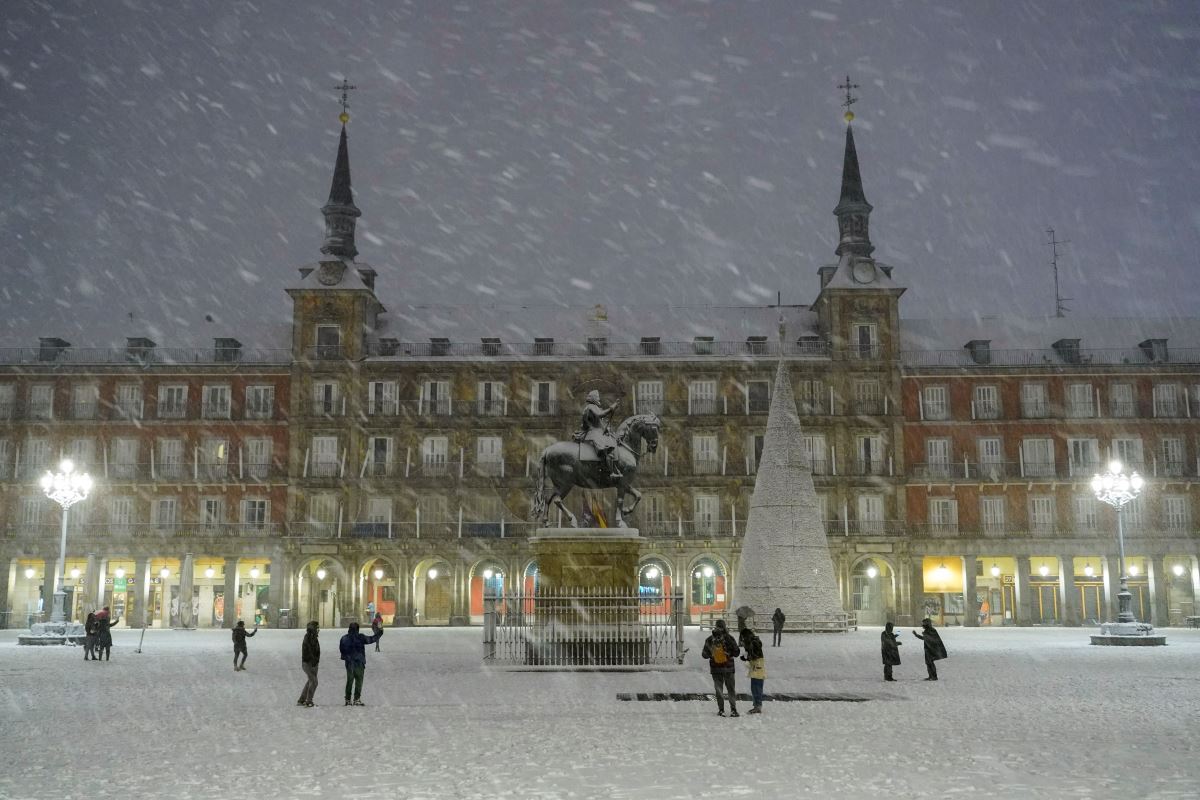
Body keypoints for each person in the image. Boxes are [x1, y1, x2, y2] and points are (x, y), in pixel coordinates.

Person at [575, 389, 622, 479]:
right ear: (593, 398)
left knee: (613, 442)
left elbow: (600, 422)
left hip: (597, 431)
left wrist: (606, 429)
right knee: (607, 449)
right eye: (597, 397)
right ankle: (610, 472)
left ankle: (612, 467)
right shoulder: (590, 407)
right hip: (593, 433)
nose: (599, 399)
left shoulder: (593, 407)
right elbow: (600, 414)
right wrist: (612, 407)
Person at [701, 619, 741, 717]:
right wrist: (728, 653)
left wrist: (712, 654)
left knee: (719, 690)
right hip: (729, 668)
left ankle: (721, 710)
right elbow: (737, 653)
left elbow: (704, 655)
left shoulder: (710, 639)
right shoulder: (729, 638)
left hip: (716, 669)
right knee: (731, 689)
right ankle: (733, 710)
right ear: (724, 627)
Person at [339, 621, 382, 706]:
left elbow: (341, 649)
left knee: (349, 681)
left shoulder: (344, 638)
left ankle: (348, 699)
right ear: (357, 629)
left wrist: (346, 656)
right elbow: (372, 639)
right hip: (359, 662)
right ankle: (356, 699)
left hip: (349, 663)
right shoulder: (360, 637)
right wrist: (380, 632)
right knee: (359, 681)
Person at [739, 626, 767, 714]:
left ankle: (757, 706)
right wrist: (746, 657)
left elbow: (755, 654)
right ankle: (756, 705)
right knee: (754, 687)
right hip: (756, 667)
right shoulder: (752, 641)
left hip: (757, 667)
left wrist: (747, 657)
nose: (742, 639)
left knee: (756, 687)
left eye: (743, 637)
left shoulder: (754, 642)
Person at [297, 621, 320, 708]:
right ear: (313, 628)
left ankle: (301, 700)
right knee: (314, 681)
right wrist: (313, 660)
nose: (318, 629)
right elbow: (309, 651)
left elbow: (316, 651)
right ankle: (309, 701)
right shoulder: (308, 638)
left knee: (310, 681)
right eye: (317, 628)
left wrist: (316, 661)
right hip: (307, 664)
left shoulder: (314, 637)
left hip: (314, 664)